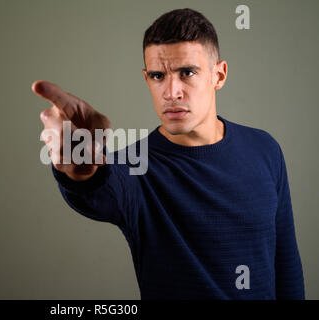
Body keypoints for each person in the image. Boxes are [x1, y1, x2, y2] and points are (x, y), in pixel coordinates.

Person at [31, 8, 305, 299]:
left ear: (219, 75)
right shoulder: (136, 167)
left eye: (187, 72)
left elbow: (286, 265)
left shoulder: (265, 149)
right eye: (158, 75)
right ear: (146, 79)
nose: (171, 91)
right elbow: (97, 187)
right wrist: (79, 166)